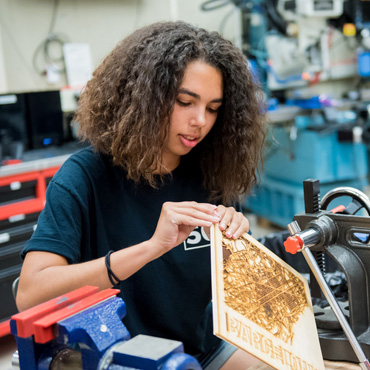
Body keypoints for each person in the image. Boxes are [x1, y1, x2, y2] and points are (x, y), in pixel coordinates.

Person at [16, 21, 266, 369]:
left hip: (200, 349)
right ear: (146, 96)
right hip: (121, 359)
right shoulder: (84, 176)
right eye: (184, 101)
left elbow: (239, 293)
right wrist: (152, 248)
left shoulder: (212, 172)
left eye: (212, 108)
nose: (200, 121)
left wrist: (237, 246)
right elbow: (29, 295)